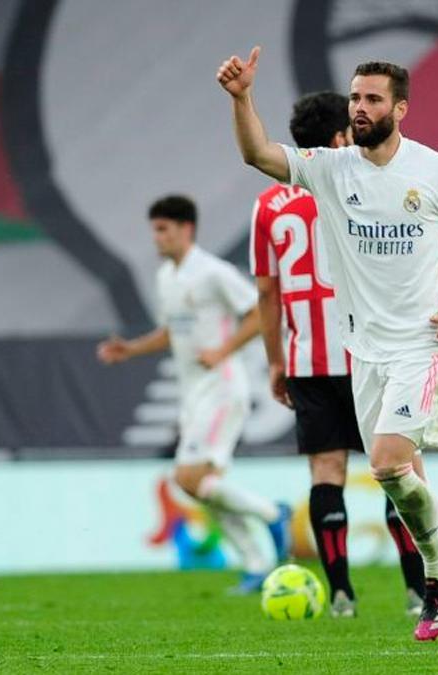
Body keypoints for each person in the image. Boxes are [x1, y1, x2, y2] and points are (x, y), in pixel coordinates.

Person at [217, 48, 438, 643]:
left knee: (387, 464)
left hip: (424, 343)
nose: (362, 107)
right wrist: (243, 99)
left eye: (373, 99)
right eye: (355, 98)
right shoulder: (331, 168)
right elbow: (256, 153)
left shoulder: (436, 171)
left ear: (400, 108)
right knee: (406, 476)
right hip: (363, 351)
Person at [249, 91, 425, 618]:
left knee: (326, 474)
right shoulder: (355, 186)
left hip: (307, 358)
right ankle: (421, 591)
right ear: (337, 139)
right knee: (400, 471)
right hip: (368, 353)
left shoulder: (267, 207)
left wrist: (275, 360)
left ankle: (342, 595)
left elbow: (266, 292)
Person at [97, 195, 291, 594]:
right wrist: (131, 349)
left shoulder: (213, 273)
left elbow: (259, 311)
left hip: (222, 388)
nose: (157, 238)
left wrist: (223, 350)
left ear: (187, 229)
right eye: (154, 230)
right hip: (193, 395)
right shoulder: (167, 277)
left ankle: (274, 514)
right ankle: (256, 565)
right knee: (205, 489)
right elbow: (173, 331)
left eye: (163, 229)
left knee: (187, 477)